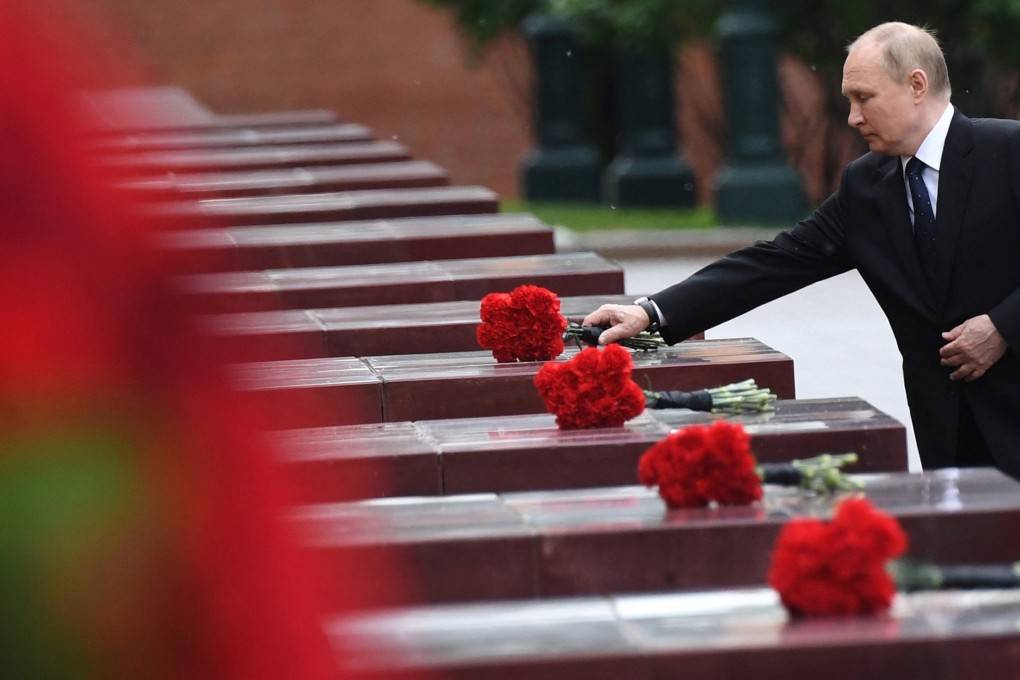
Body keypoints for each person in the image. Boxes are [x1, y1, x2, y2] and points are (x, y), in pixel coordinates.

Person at [584, 22, 1020, 479]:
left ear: (916, 85)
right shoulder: (866, 186)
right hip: (947, 431)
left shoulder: (1006, 151)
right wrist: (652, 312)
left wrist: (1002, 326)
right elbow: (775, 261)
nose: (852, 117)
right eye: (849, 100)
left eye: (864, 97)